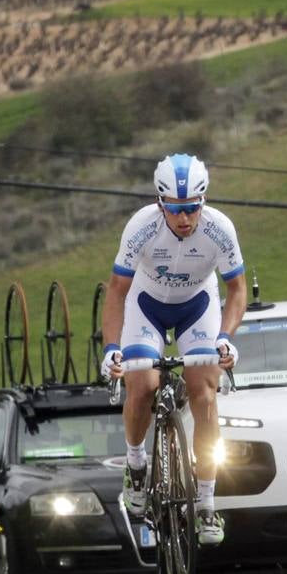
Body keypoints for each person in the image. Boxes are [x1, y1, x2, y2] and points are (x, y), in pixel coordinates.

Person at [101, 154, 245, 546]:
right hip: (145, 304)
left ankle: (206, 502)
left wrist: (226, 337)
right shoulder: (141, 227)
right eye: (175, 210)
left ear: (204, 201)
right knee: (142, 387)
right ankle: (135, 463)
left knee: (204, 393)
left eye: (192, 208)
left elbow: (237, 289)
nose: (184, 219)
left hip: (197, 306)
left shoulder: (219, 229)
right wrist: (112, 347)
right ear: (159, 202)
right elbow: (116, 291)